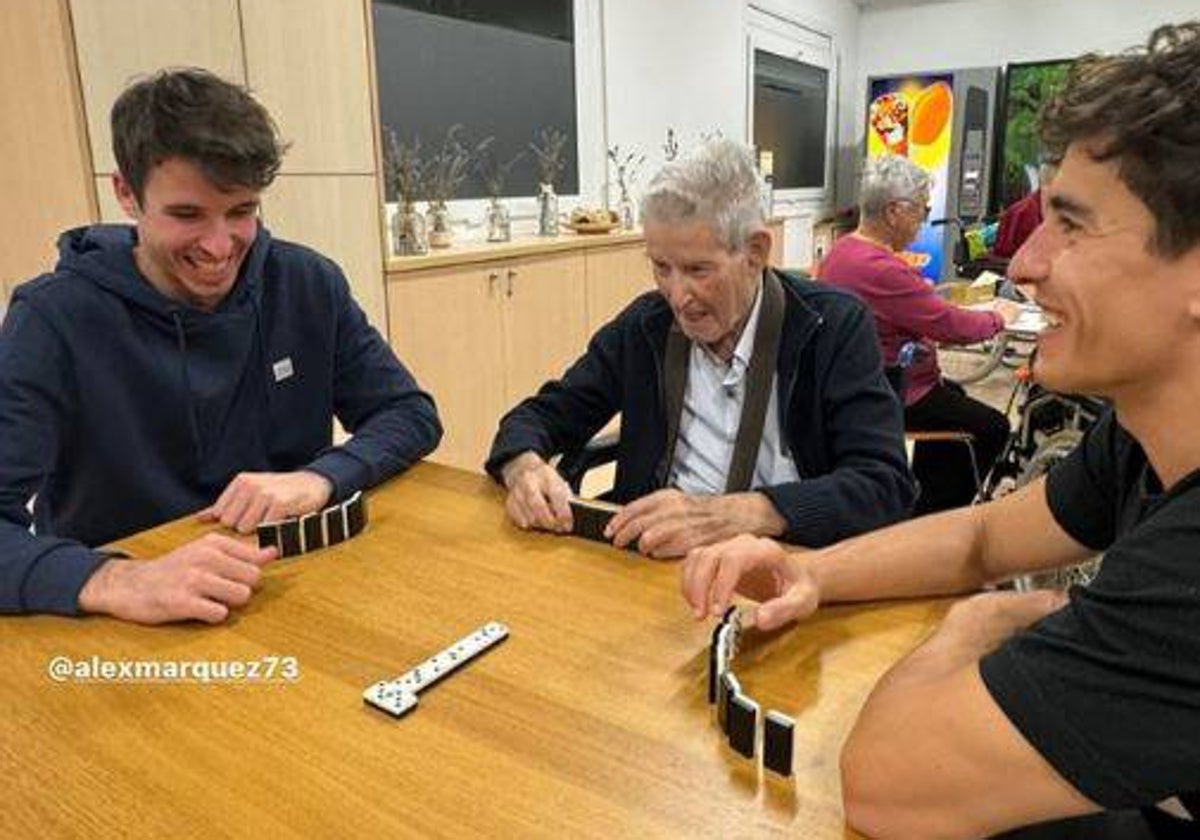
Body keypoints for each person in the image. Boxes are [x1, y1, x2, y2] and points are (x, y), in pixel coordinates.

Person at [681, 22, 1200, 839]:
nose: (1024, 262)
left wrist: (979, 621)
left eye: (1070, 224)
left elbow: (886, 784)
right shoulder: (1142, 436)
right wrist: (810, 571)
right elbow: (987, 537)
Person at [0, 68, 442, 624]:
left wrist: (319, 478)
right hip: (126, 621)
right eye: (187, 215)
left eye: (241, 212)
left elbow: (409, 413)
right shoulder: (51, 319)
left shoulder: (306, 283)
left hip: (283, 589)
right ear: (126, 194)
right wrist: (116, 578)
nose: (218, 246)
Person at [486, 139, 914, 557]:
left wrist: (742, 514)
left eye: (697, 270)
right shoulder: (645, 326)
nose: (677, 296)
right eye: (661, 267)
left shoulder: (833, 327)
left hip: (785, 568)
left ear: (755, 252)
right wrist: (524, 466)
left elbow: (883, 484)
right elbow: (537, 416)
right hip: (654, 567)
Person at [819, 154, 1022, 514]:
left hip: (863, 381)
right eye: (922, 212)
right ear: (895, 210)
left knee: (953, 396)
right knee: (993, 426)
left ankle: (924, 497)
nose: (922, 223)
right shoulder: (882, 268)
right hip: (892, 390)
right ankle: (937, 516)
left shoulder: (842, 252)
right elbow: (950, 326)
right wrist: (998, 318)